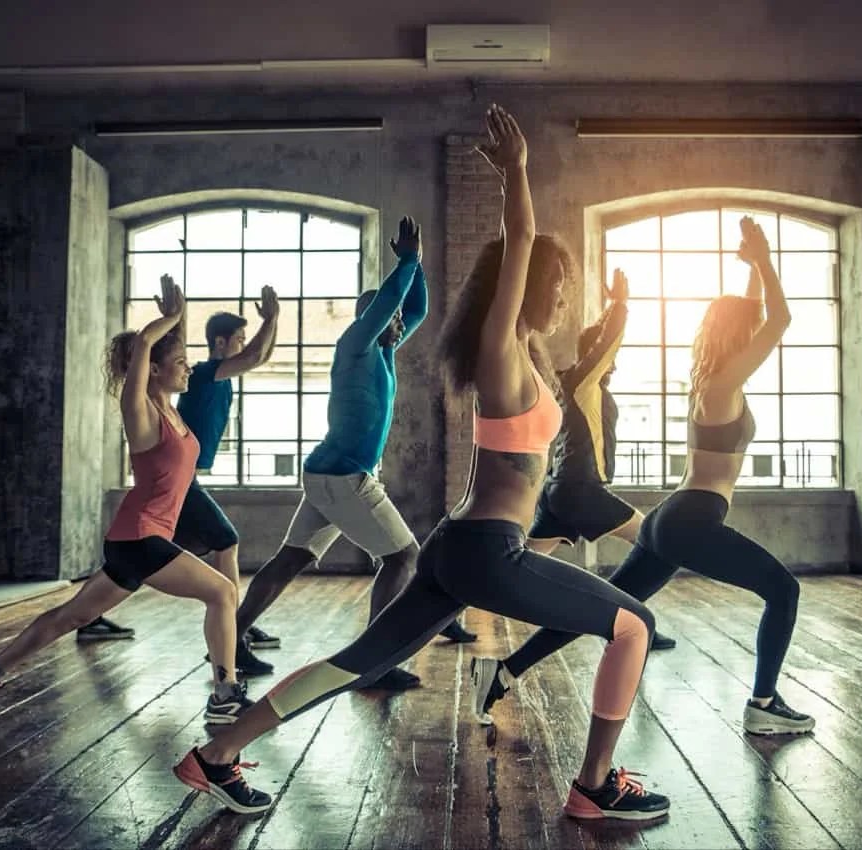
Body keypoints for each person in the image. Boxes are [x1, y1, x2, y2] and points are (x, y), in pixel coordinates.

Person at [171, 105, 669, 822]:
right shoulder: (502, 351)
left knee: (360, 662)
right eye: (556, 285)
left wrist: (613, 326)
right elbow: (519, 239)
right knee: (634, 625)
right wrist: (518, 174)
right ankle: (595, 786)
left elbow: (572, 369)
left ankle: (214, 756)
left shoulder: (528, 355)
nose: (563, 297)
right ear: (525, 288)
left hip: (457, 548)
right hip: (487, 552)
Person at [472, 216, 815, 737]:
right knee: (783, 590)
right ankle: (764, 703)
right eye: (748, 328)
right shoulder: (722, 386)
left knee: (604, 607)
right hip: (690, 521)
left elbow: (755, 317)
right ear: (740, 338)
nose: (755, 332)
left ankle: (505, 669)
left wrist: (749, 272)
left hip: (669, 522)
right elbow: (781, 320)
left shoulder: (710, 381)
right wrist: (765, 259)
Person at [0, 278, 253, 725]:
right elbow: (145, 354)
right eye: (180, 363)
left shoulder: (173, 408)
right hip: (140, 538)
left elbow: (165, 353)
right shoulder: (142, 413)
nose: (188, 369)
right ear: (152, 370)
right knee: (223, 591)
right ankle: (225, 691)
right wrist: (166, 323)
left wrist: (180, 316)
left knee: (69, 617)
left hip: (135, 539)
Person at [229, 215, 468, 694]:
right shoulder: (357, 343)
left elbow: (414, 308)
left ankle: (231, 636)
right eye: (390, 316)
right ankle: (372, 662)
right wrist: (406, 264)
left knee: (292, 557)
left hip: (328, 475)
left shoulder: (384, 350)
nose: (400, 324)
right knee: (403, 557)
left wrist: (415, 264)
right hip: (346, 478)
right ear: (374, 317)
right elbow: (390, 309)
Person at [79, 284, 283, 680]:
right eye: (237, 338)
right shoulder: (206, 373)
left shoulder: (201, 374)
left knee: (132, 566)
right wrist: (271, 320)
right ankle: (233, 634)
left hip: (180, 482)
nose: (244, 345)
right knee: (225, 540)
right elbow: (256, 356)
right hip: (179, 482)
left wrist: (182, 316)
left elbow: (259, 355)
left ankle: (95, 613)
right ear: (220, 342)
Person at [521, 267, 676, 652]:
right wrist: (619, 305)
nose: (615, 362)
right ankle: (634, 623)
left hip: (558, 491)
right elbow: (606, 343)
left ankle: (452, 611)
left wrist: (610, 309)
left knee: (511, 563)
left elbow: (602, 343)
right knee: (657, 545)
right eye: (610, 357)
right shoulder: (582, 382)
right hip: (581, 490)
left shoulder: (575, 384)